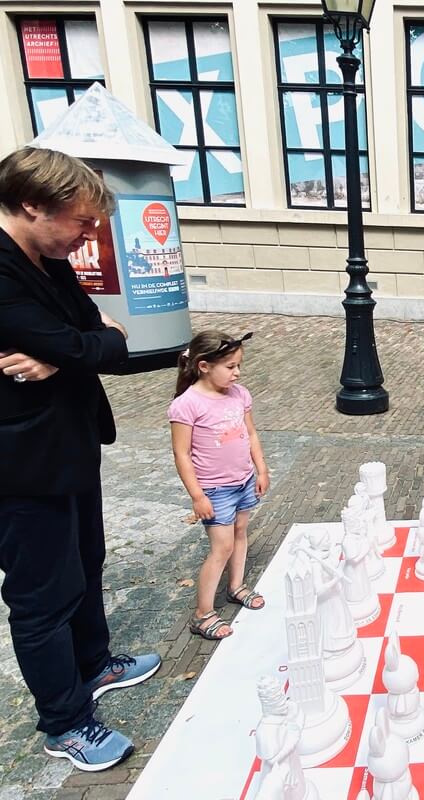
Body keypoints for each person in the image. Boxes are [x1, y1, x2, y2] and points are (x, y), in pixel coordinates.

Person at [0, 146, 161, 771]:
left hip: (69, 446)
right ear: (33, 204)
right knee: (43, 596)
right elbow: (91, 341)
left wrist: (64, 352)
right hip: (19, 465)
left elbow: (110, 338)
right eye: (82, 221)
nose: (91, 236)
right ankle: (65, 722)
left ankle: (96, 664)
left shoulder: (47, 257)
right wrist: (81, 346)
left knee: (87, 562)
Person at [169, 330, 270, 640]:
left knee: (241, 533)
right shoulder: (186, 405)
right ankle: (202, 614)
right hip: (214, 489)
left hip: (243, 481)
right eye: (229, 366)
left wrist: (261, 469)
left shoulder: (240, 394)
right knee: (221, 547)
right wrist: (197, 496)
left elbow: (250, 433)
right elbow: (182, 454)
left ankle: (236, 585)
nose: (236, 372)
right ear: (203, 366)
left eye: (238, 365)